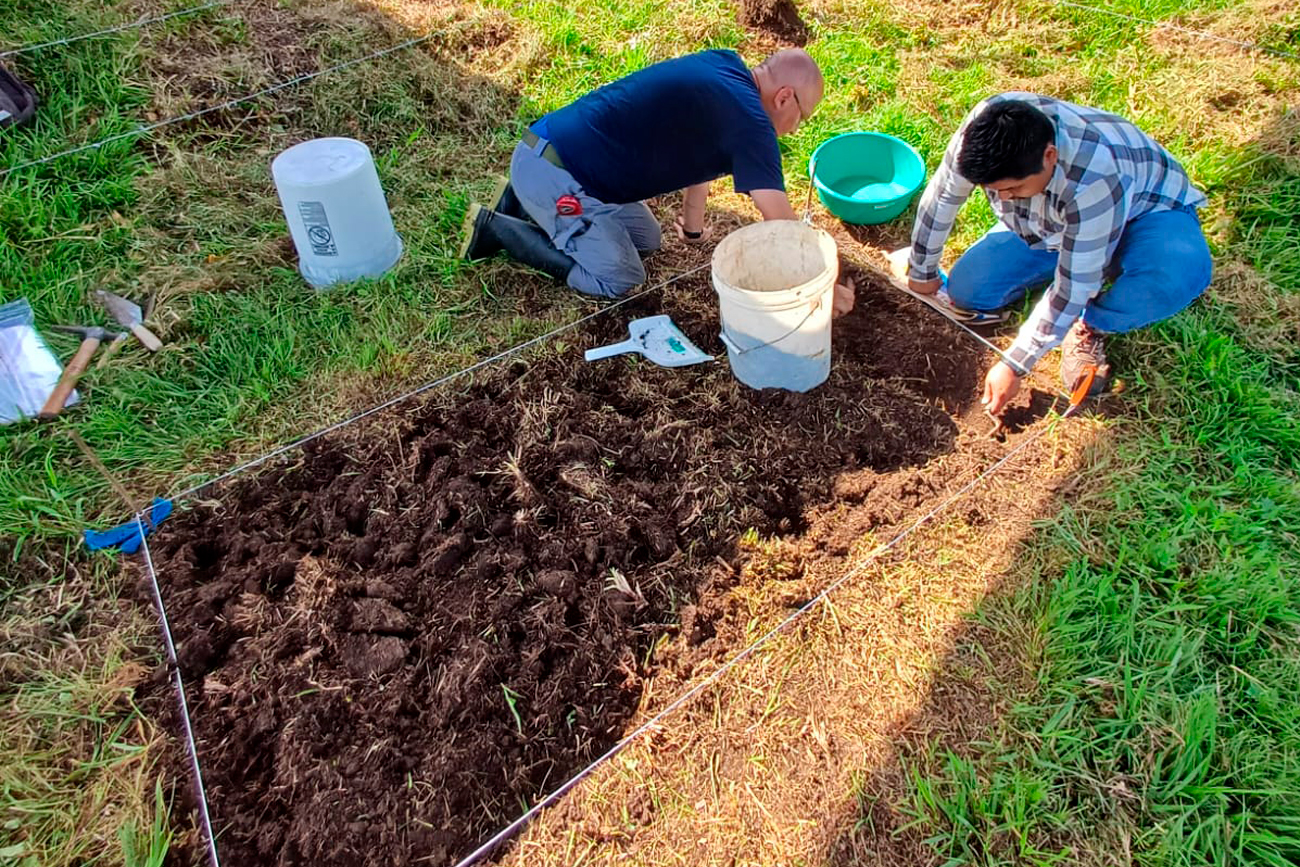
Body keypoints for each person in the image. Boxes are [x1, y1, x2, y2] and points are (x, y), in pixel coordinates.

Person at [460, 48, 853, 314]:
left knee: (648, 241)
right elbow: (781, 224)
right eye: (804, 116)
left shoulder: (727, 67)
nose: (797, 128)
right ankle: (497, 231)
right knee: (622, 277)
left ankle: (523, 199)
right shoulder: (752, 124)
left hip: (555, 151)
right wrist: (823, 290)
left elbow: (706, 157)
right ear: (785, 97)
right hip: (556, 171)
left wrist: (694, 226)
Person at [902, 93, 1212, 415]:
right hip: (1055, 225)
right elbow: (942, 196)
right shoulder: (986, 129)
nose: (1003, 199)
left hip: (1144, 214)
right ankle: (1076, 255)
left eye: (1012, 189)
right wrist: (922, 270)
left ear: (1049, 156)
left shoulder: (1097, 176)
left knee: (1172, 276)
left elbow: (1073, 286)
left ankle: (1091, 325)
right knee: (969, 290)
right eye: (993, 191)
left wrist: (1014, 364)